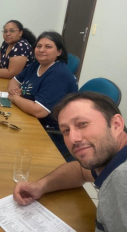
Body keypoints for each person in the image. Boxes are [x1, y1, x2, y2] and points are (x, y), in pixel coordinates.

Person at [13, 92, 127, 231]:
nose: (73, 138)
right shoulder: (109, 159)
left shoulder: (122, 179)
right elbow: (81, 171)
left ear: (116, 124)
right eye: (66, 130)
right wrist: (40, 186)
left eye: (82, 124)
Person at [7, 31, 78, 129]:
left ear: (59, 51)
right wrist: (14, 90)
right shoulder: (37, 64)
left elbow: (39, 111)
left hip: (47, 129)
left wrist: (14, 98)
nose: (41, 50)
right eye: (39, 46)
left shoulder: (58, 75)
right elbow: (14, 80)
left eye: (48, 47)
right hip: (28, 115)